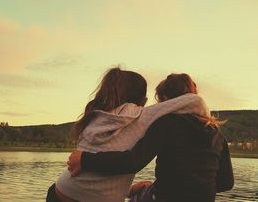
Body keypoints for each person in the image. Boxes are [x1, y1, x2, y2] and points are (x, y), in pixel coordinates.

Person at [47, 68, 211, 202]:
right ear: (144, 99)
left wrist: (129, 191)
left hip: (60, 192)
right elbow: (195, 102)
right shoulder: (142, 116)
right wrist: (207, 120)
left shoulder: (96, 115)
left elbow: (95, 181)